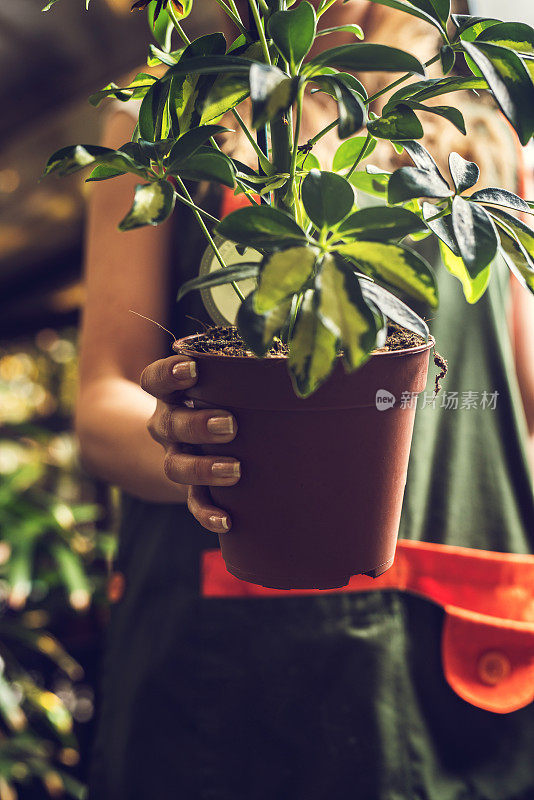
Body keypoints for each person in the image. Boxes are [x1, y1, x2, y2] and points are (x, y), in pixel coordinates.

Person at [76, 1, 534, 797]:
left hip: (460, 629)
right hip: (227, 655)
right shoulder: (168, 108)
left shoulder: (487, 120)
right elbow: (103, 402)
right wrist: (193, 447)